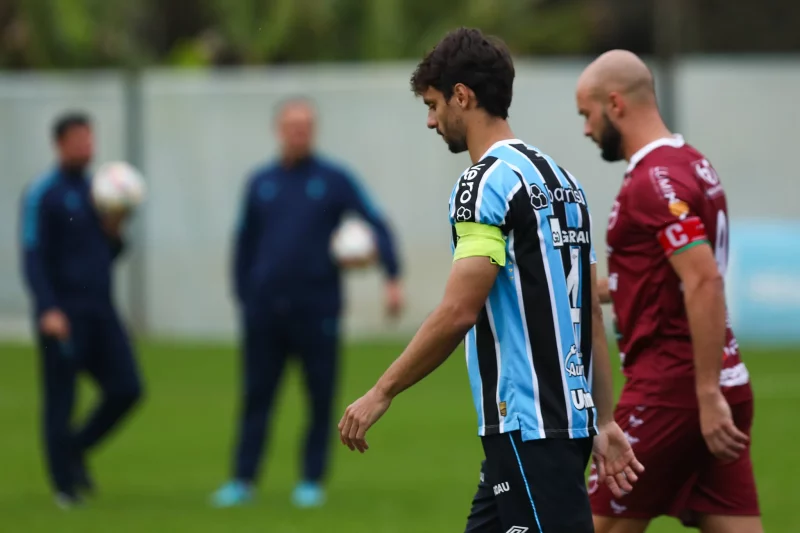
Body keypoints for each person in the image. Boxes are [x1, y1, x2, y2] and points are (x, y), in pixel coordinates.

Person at [338, 28, 642, 533]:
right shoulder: (562, 180)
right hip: (561, 420)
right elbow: (589, 307)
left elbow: (460, 309)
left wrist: (381, 391)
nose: (432, 121)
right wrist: (604, 419)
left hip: (526, 422)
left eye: (434, 104)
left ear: (463, 95)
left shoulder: (484, 182)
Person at [575, 50, 762, 533]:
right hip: (724, 384)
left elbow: (702, 278)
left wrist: (703, 391)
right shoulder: (692, 163)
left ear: (615, 103)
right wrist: (555, 291)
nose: (586, 129)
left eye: (587, 114)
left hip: (672, 391)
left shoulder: (651, 183)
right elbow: (650, 278)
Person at [212, 97, 404, 509]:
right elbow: (244, 243)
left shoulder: (333, 180)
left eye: (306, 125)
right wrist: (245, 295)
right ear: (278, 129)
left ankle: (311, 481)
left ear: (313, 131)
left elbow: (375, 221)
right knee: (256, 398)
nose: (299, 132)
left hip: (317, 311)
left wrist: (392, 277)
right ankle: (243, 480)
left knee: (320, 400)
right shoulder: (260, 182)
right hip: (264, 313)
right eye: (292, 125)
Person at [19, 112, 144, 509]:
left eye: (90, 139)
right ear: (60, 144)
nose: (87, 147)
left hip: (101, 311)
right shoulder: (43, 192)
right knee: (62, 399)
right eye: (78, 140)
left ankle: (74, 449)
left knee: (127, 388)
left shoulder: (100, 191)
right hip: (63, 315)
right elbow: (33, 254)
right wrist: (48, 308)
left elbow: (109, 254)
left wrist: (115, 230)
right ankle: (64, 487)